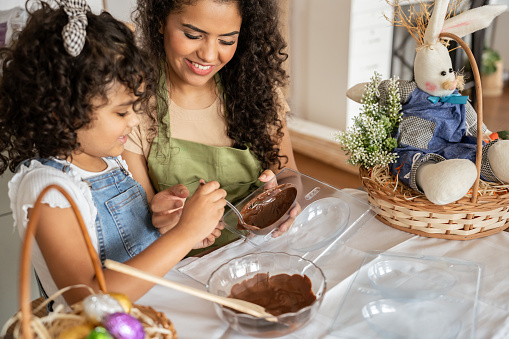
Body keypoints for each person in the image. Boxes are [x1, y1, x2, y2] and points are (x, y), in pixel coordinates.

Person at [0, 0, 226, 307]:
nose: (133, 120)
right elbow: (89, 299)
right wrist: (183, 235)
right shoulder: (48, 187)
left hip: (151, 312)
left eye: (135, 107)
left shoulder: (109, 160)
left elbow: (136, 254)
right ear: (62, 113)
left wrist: (168, 224)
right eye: (121, 112)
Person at [124, 0, 298, 252]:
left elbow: (290, 174)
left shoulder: (258, 91)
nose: (208, 55)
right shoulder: (131, 105)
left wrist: (287, 198)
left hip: (260, 250)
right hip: (181, 265)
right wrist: (165, 220)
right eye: (193, 35)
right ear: (161, 21)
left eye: (226, 41)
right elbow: (139, 219)